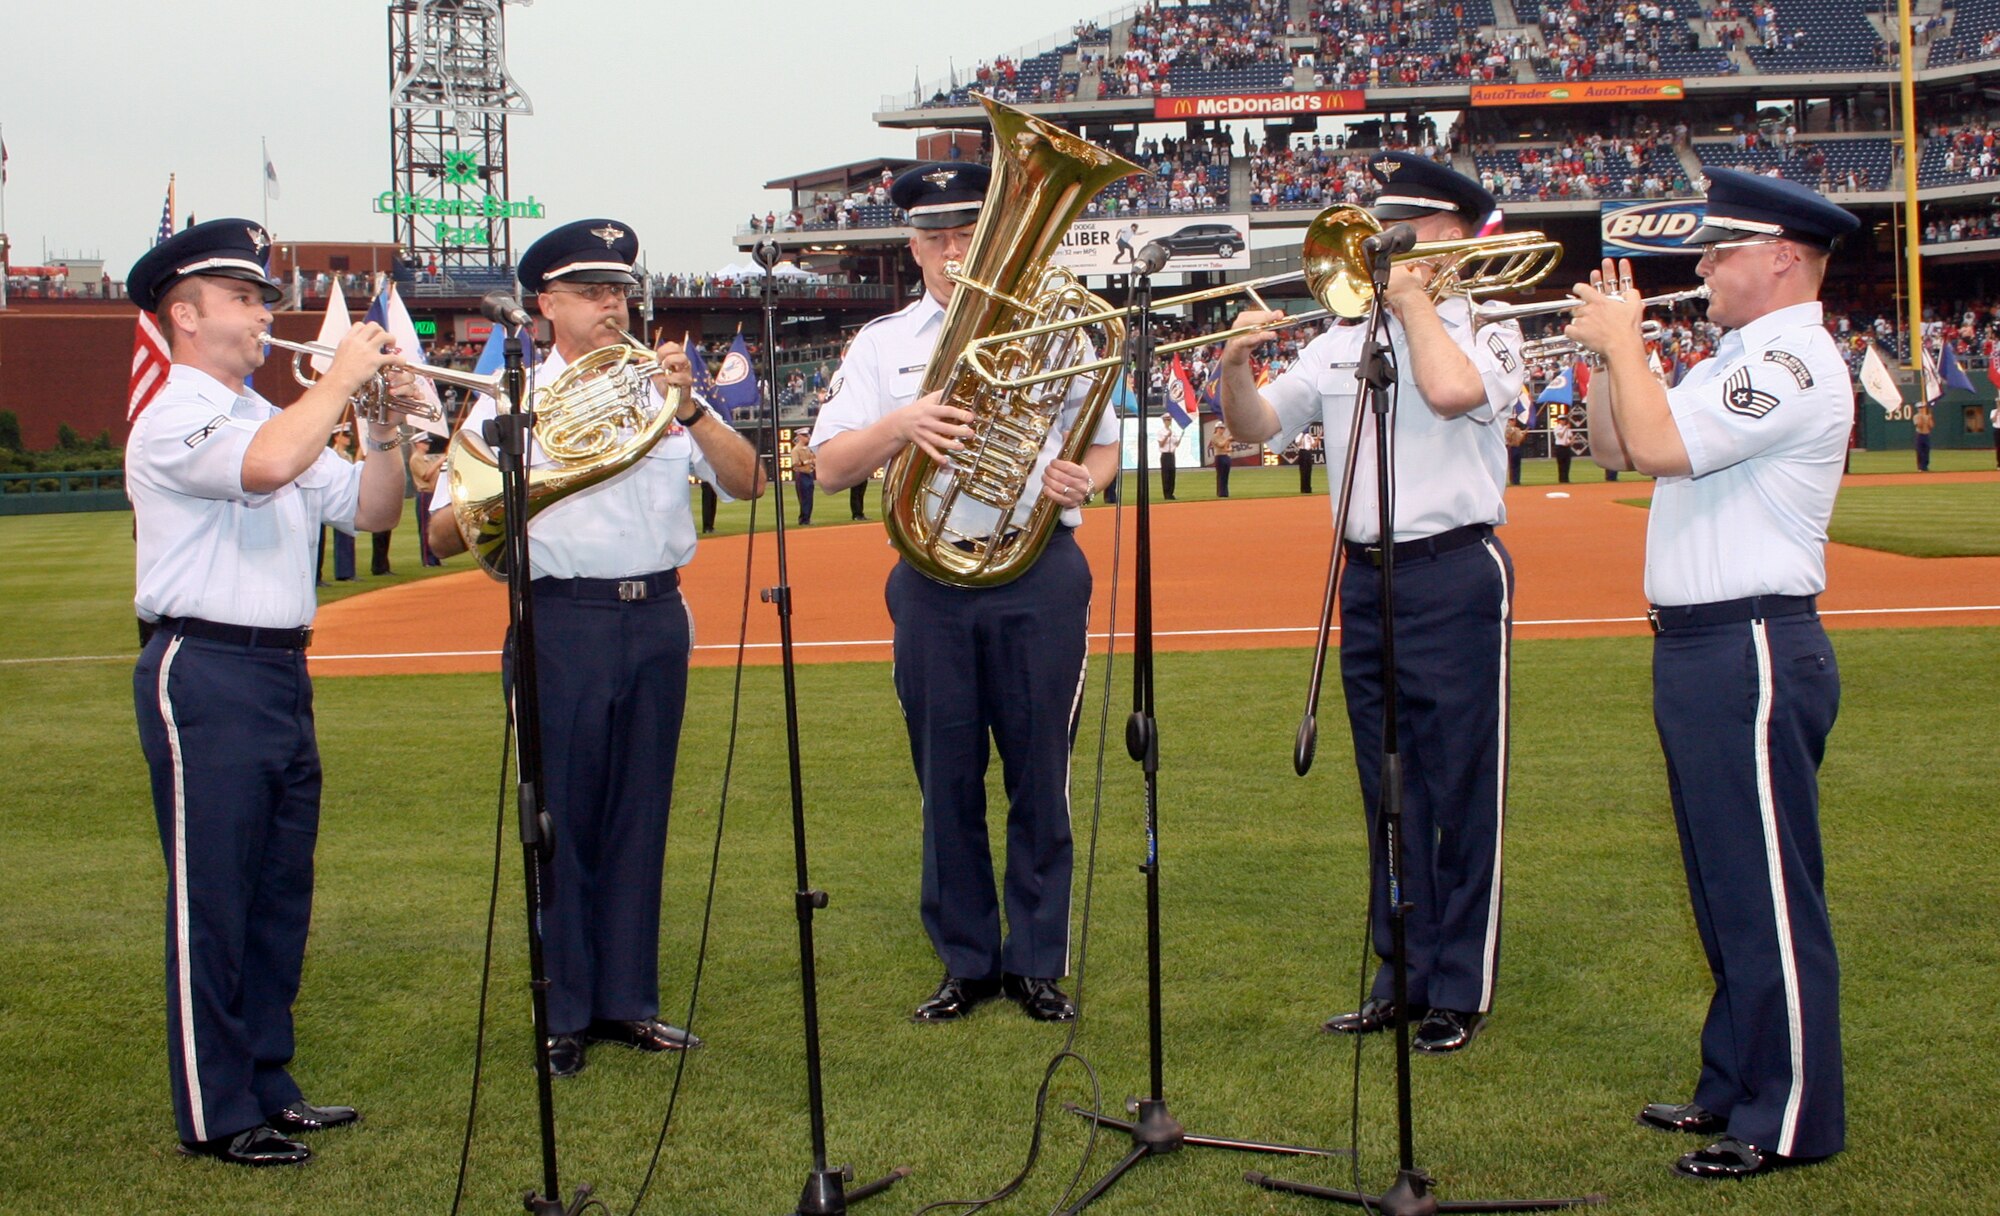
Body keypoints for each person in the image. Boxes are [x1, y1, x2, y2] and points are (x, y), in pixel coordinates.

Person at [1566, 167, 1858, 1180]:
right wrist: (1605, 365)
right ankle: (1732, 1080)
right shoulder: (1735, 357)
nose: (1699, 267)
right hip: (1699, 644)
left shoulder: (1786, 361)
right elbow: (1619, 446)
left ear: (1780, 255)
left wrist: (1623, 343)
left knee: (1767, 892)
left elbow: (1657, 441)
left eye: (1718, 250)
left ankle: (1789, 1118)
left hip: (1749, 643)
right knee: (1722, 882)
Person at [425, 218, 765, 1077]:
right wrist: (516, 484)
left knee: (639, 816)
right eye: (590, 292)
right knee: (561, 818)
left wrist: (689, 405)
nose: (612, 305)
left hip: (655, 614)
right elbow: (440, 530)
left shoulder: (660, 389)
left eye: (619, 290)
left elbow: (748, 480)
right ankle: (563, 1012)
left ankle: (628, 1003)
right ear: (546, 306)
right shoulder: (507, 399)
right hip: (561, 618)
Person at [1218, 152, 1525, 1055]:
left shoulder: (1490, 324)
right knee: (1387, 789)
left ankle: (1459, 987)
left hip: (1456, 569)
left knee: (1462, 787)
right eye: (1379, 231)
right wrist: (1236, 367)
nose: (1382, 248)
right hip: (1366, 574)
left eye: (1406, 234)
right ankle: (1402, 971)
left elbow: (1454, 390)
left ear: (1453, 239)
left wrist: (1415, 302)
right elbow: (1257, 426)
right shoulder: (1339, 337)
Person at [126, 218, 409, 1166]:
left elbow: (371, 511)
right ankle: (217, 1111)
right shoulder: (177, 414)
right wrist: (337, 379)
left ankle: (267, 1082)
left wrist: (382, 421)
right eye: (245, 300)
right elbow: (268, 469)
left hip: (280, 670)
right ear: (186, 313)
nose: (263, 316)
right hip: (204, 667)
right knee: (214, 896)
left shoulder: (263, 414)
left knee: (278, 893)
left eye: (260, 299)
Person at [811, 163, 1119, 1024]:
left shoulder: (1055, 329)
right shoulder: (882, 345)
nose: (952, 252)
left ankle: (1037, 961)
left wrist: (1079, 479)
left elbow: (1105, 449)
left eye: (965, 235)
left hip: (1037, 571)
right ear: (911, 247)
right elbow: (829, 467)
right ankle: (966, 962)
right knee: (945, 777)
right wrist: (902, 423)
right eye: (936, 238)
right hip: (932, 578)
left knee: (1038, 774)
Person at [409, 432, 447, 566]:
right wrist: (439, 462)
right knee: (426, 528)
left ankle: (435, 557)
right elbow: (426, 476)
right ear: (418, 444)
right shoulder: (416, 458)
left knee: (433, 529)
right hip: (425, 493)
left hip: (433, 493)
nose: (428, 445)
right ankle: (427, 559)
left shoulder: (425, 458)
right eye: (425, 443)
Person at [790, 426, 817, 524]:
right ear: (800, 437)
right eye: (805, 436)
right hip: (802, 474)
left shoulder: (808, 449)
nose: (808, 438)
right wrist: (808, 461)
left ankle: (807, 517)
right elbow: (795, 463)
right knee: (804, 497)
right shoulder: (796, 450)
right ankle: (803, 519)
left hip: (809, 473)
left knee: (809, 497)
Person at [1157, 412, 1179, 500]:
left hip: (1172, 454)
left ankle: (1171, 493)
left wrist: (1178, 441)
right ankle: (1166, 494)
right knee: (1166, 475)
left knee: (1172, 474)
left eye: (1170, 420)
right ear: (1164, 421)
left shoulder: (1173, 432)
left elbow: (1175, 444)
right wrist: (1166, 436)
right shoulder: (1161, 432)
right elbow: (1161, 444)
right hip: (1165, 455)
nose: (1169, 422)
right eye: (1167, 420)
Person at [1210, 420, 1233, 496]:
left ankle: (1225, 493)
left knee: (1226, 475)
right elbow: (1220, 445)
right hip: (1219, 456)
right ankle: (1220, 493)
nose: (1222, 430)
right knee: (1220, 475)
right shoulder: (1214, 437)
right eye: (1220, 428)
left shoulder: (1224, 437)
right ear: (1216, 428)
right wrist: (1227, 440)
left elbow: (1229, 447)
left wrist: (1228, 448)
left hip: (1226, 456)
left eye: (1223, 428)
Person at [1913, 403, 1934, 471]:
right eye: (1920, 408)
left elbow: (1931, 426)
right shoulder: (1916, 416)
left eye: (1922, 407)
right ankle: (1920, 467)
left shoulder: (1927, 416)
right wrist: (1921, 418)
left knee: (1926, 451)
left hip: (1926, 434)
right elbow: (1919, 426)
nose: (1921, 409)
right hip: (1920, 435)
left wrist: (1930, 419)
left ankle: (1925, 466)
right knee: (1920, 451)